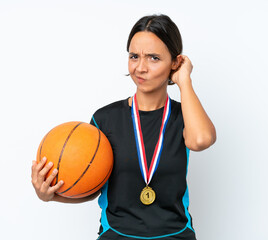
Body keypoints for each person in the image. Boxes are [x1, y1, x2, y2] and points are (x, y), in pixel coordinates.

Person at [31, 14, 216, 240]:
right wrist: (49, 195)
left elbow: (201, 140)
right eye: (134, 56)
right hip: (116, 235)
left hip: (176, 235)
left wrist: (184, 80)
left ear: (175, 63)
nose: (140, 67)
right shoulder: (105, 119)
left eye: (154, 58)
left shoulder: (185, 116)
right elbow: (93, 185)